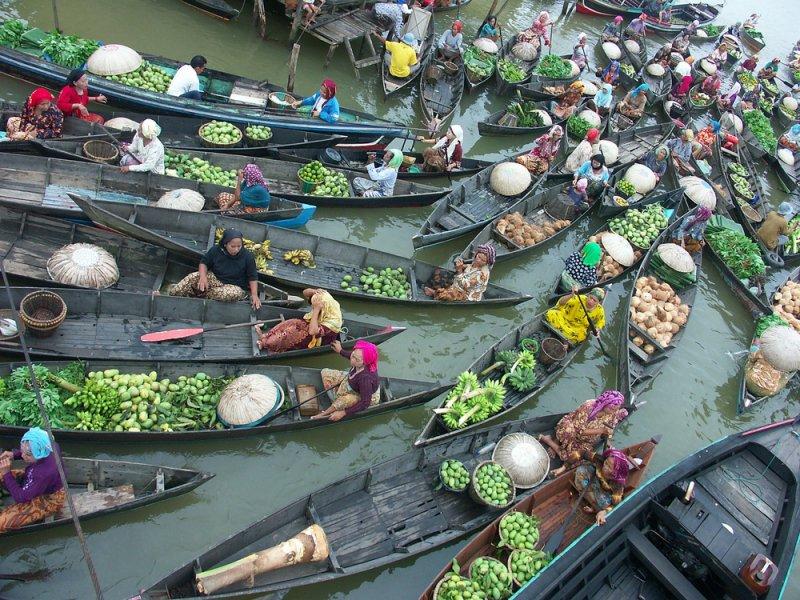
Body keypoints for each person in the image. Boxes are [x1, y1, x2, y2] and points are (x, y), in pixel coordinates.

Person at [539, 390, 628, 475]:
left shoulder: (612, 414)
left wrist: (608, 441)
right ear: (605, 403)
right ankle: (553, 441)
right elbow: (579, 430)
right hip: (573, 429)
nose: (613, 411)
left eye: (616, 409)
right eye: (612, 409)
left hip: (585, 441)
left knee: (579, 459)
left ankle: (555, 446)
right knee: (568, 431)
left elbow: (607, 432)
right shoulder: (588, 406)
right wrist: (600, 430)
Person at [170, 228, 261, 307]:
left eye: (239, 246)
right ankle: (171, 296)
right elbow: (203, 263)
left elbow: (252, 276)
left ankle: (197, 293)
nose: (236, 249)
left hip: (235, 286)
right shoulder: (216, 250)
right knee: (193, 277)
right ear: (225, 244)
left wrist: (254, 294)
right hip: (216, 279)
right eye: (232, 246)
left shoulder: (247, 256)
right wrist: (203, 277)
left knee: (229, 293)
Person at [0, 428, 65, 534]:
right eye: (23, 452)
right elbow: (27, 450)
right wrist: (13, 454)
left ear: (39, 454)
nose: (22, 455)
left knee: (2, 523)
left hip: (50, 498)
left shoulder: (43, 473)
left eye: (27, 455)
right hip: (33, 479)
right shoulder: (50, 445)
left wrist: (7, 473)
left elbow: (21, 498)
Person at [255, 288, 342, 352]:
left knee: (290, 334)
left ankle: (266, 343)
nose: (312, 306)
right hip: (310, 323)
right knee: (290, 323)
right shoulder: (322, 296)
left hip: (317, 338)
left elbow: (312, 331)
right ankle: (265, 336)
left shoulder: (333, 321)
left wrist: (316, 309)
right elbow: (304, 292)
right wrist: (313, 291)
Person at [312, 340, 381, 421]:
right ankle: (336, 401)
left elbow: (365, 403)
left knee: (344, 401)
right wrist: (340, 350)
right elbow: (352, 356)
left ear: (365, 362)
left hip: (365, 396)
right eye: (353, 354)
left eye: (356, 359)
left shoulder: (365, 379)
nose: (352, 359)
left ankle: (323, 414)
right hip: (352, 383)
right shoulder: (358, 360)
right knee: (325, 372)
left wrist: (343, 413)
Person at [574, 447, 632, 525]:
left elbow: (616, 504)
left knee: (606, 504)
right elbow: (582, 453)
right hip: (593, 481)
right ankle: (586, 496)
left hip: (602, 493)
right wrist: (563, 468)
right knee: (581, 470)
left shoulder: (618, 485)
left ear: (615, 473)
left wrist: (603, 512)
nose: (605, 466)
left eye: (609, 467)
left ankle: (594, 509)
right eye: (606, 463)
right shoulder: (600, 459)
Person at [423, 244, 495, 302]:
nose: (478, 260)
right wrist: (462, 266)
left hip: (467, 294)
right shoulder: (475, 263)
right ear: (477, 254)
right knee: (439, 272)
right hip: (458, 284)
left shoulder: (482, 274)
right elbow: (469, 267)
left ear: (486, 263)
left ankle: (434, 293)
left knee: (446, 296)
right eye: (478, 257)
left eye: (482, 260)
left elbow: (465, 285)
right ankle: (439, 289)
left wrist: (460, 270)